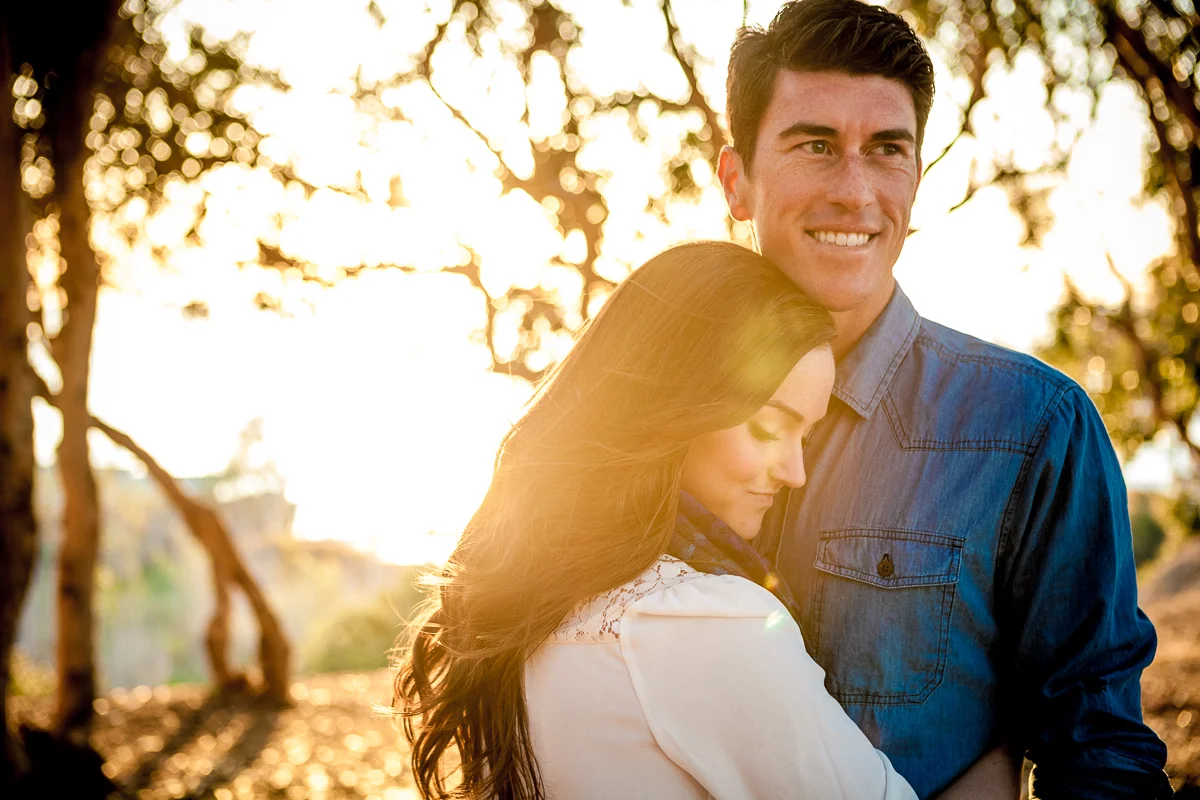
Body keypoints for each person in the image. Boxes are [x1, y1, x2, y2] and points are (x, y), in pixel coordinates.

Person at [715, 1, 1172, 797]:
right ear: (737, 182)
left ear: (917, 179)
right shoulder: (646, 407)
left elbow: (1099, 755)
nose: (855, 191)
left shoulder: (1034, 429)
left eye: (887, 150)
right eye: (815, 145)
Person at [394, 241, 919, 798]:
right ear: (675, 406)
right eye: (769, 429)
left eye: (805, 437)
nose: (796, 473)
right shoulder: (704, 622)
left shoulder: (528, 606)